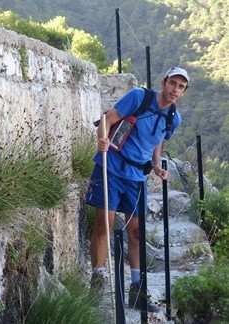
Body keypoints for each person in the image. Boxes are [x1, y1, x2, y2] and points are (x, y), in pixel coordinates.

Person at [86, 67, 189, 312]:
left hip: (136, 177)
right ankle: (98, 281)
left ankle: (137, 290)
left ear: (184, 92)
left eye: (181, 87)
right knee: (104, 225)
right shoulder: (138, 97)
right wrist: (102, 139)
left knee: (136, 232)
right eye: (172, 83)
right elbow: (107, 120)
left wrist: (156, 165)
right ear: (163, 83)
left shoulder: (173, 117)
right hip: (111, 166)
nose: (175, 90)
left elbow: (158, 140)